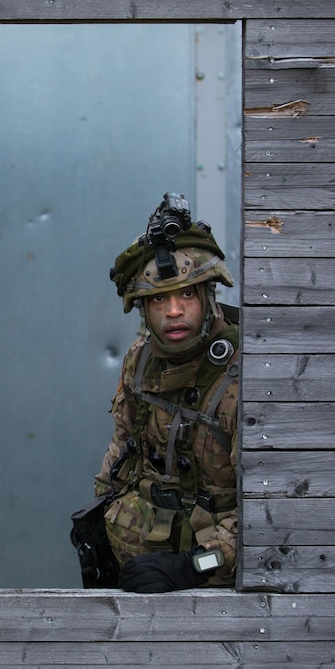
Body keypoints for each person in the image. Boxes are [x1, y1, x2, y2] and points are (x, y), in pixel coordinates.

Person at [97, 192, 239, 593]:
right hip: (142, 566)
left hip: (220, 580)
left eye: (187, 295)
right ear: (143, 308)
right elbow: (122, 452)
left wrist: (194, 567)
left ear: (208, 297)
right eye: (159, 298)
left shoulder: (247, 375)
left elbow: (266, 513)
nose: (174, 311)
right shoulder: (140, 362)